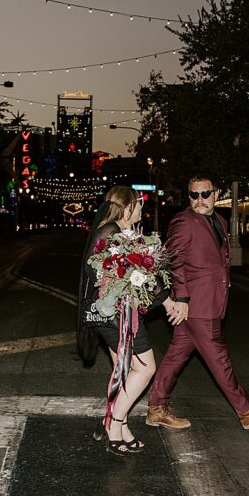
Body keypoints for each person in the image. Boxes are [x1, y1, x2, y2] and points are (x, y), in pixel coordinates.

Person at [147, 176, 249, 430]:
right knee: (219, 358)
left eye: (205, 194)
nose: (199, 200)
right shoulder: (183, 222)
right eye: (193, 195)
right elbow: (173, 261)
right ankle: (247, 410)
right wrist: (183, 297)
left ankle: (156, 407)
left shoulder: (219, 220)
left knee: (177, 355)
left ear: (216, 194)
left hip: (211, 299)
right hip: (197, 304)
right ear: (188, 196)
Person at [77, 186, 184, 456]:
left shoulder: (122, 232)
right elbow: (96, 267)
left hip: (118, 312)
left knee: (123, 370)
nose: (141, 208)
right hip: (113, 314)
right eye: (138, 204)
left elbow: (137, 269)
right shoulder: (110, 229)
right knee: (146, 369)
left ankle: (119, 425)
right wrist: (165, 298)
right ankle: (113, 425)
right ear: (126, 208)